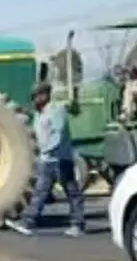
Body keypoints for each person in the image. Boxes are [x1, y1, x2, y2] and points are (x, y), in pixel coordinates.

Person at [6, 82, 85, 237]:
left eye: (35, 97)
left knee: (72, 192)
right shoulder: (39, 114)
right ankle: (29, 222)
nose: (33, 101)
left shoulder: (56, 111)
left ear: (44, 96)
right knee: (40, 191)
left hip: (61, 159)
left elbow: (57, 134)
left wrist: (47, 150)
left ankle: (78, 224)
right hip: (47, 160)